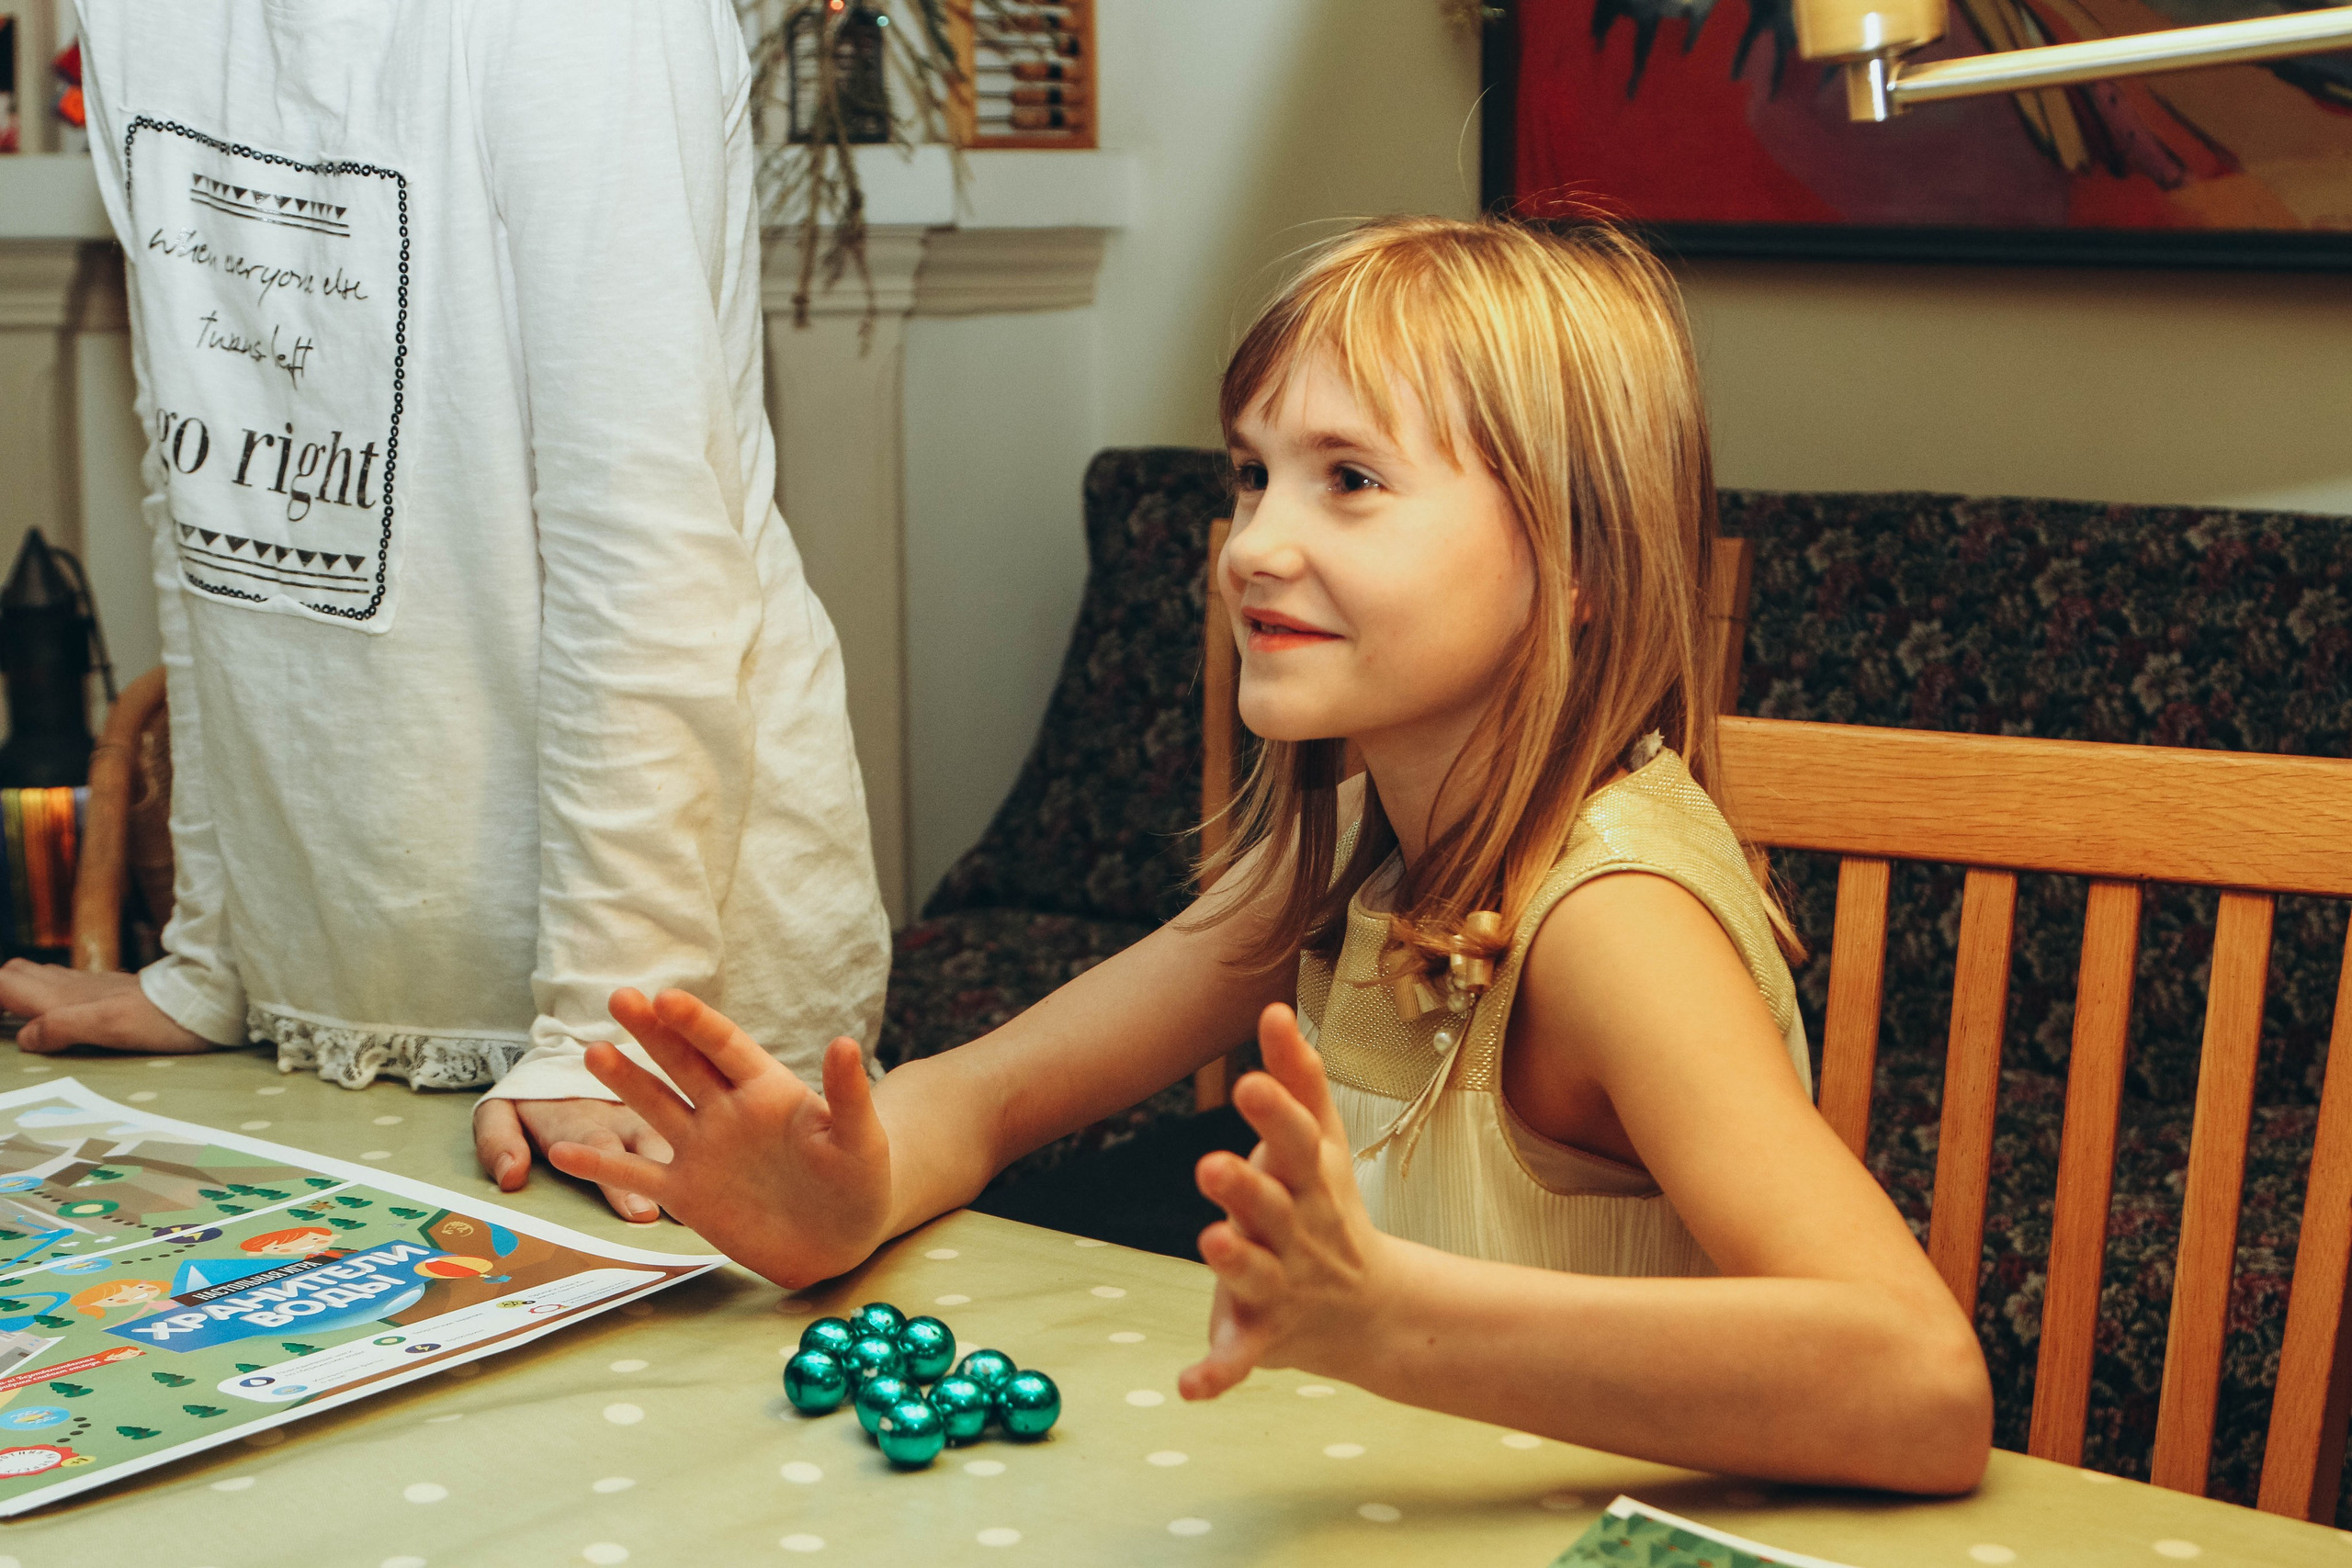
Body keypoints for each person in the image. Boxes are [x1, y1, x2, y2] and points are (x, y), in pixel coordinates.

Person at [546, 218, 1994, 1492]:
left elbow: (1923, 1389)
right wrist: (849, 1184)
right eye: (1251, 478)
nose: (1249, 545)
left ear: (1580, 565)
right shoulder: (1366, 845)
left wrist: (1391, 1317)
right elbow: (987, 1100)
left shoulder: (1610, 923)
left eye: (1349, 479)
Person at [0, 1, 891, 1223]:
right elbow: (206, 497)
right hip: (322, 1007)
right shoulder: (139, 17)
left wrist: (604, 1027)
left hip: (655, 1018)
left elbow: (644, 538)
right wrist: (219, 957)